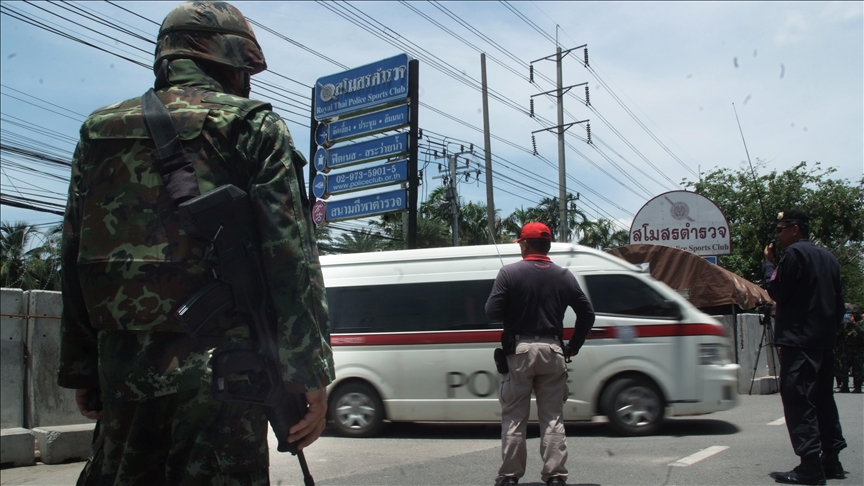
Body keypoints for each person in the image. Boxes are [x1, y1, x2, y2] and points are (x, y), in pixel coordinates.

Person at [57, 2, 334, 484]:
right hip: (223, 379)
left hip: (122, 372)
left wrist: (83, 367)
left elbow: (74, 254)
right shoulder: (252, 126)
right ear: (233, 60)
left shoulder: (97, 131)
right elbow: (292, 259)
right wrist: (308, 371)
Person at [486, 222, 596, 486]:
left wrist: (513, 303)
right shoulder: (564, 276)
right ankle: (555, 476)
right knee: (553, 417)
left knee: (515, 416)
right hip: (554, 351)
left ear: (525, 244)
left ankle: (510, 477)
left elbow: (492, 312)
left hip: (519, 352)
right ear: (547, 246)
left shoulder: (509, 273)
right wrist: (573, 346)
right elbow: (587, 314)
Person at [763, 210, 847, 485]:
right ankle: (831, 460)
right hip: (823, 343)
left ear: (795, 229)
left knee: (799, 400)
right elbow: (839, 304)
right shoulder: (829, 258)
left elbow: (776, 290)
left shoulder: (794, 255)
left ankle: (810, 466)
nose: (777, 236)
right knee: (823, 399)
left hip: (799, 342)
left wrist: (768, 264)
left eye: (780, 230)